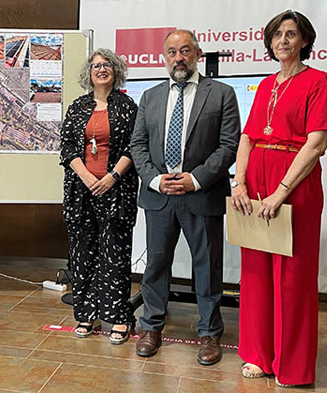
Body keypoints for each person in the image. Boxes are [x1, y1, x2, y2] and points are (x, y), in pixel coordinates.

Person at [231, 10, 327, 387]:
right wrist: (239, 183)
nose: (283, 41)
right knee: (256, 271)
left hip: (295, 185)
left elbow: (317, 142)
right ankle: (259, 355)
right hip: (255, 182)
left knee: (293, 278)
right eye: (277, 35)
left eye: (291, 34)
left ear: (304, 40)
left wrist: (281, 192)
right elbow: (248, 137)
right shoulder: (264, 85)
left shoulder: (318, 81)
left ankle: (292, 366)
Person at [131, 29, 240, 364]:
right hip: (160, 195)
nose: (178, 58)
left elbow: (229, 145)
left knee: (207, 267)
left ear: (197, 54)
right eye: (171, 52)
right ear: (164, 58)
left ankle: (209, 333)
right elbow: (138, 145)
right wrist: (154, 180)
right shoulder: (150, 96)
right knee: (156, 265)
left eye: (185, 51)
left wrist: (195, 179)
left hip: (201, 195)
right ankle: (151, 327)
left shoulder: (221, 93)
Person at [60, 49, 139, 345]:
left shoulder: (128, 106)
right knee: (82, 254)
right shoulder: (78, 106)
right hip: (81, 192)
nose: (101, 69)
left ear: (115, 70)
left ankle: (119, 317)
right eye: (96, 66)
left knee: (115, 255)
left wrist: (111, 177)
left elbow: (135, 146)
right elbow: (67, 146)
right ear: (88, 73)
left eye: (106, 65)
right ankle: (85, 313)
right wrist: (87, 177)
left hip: (116, 190)